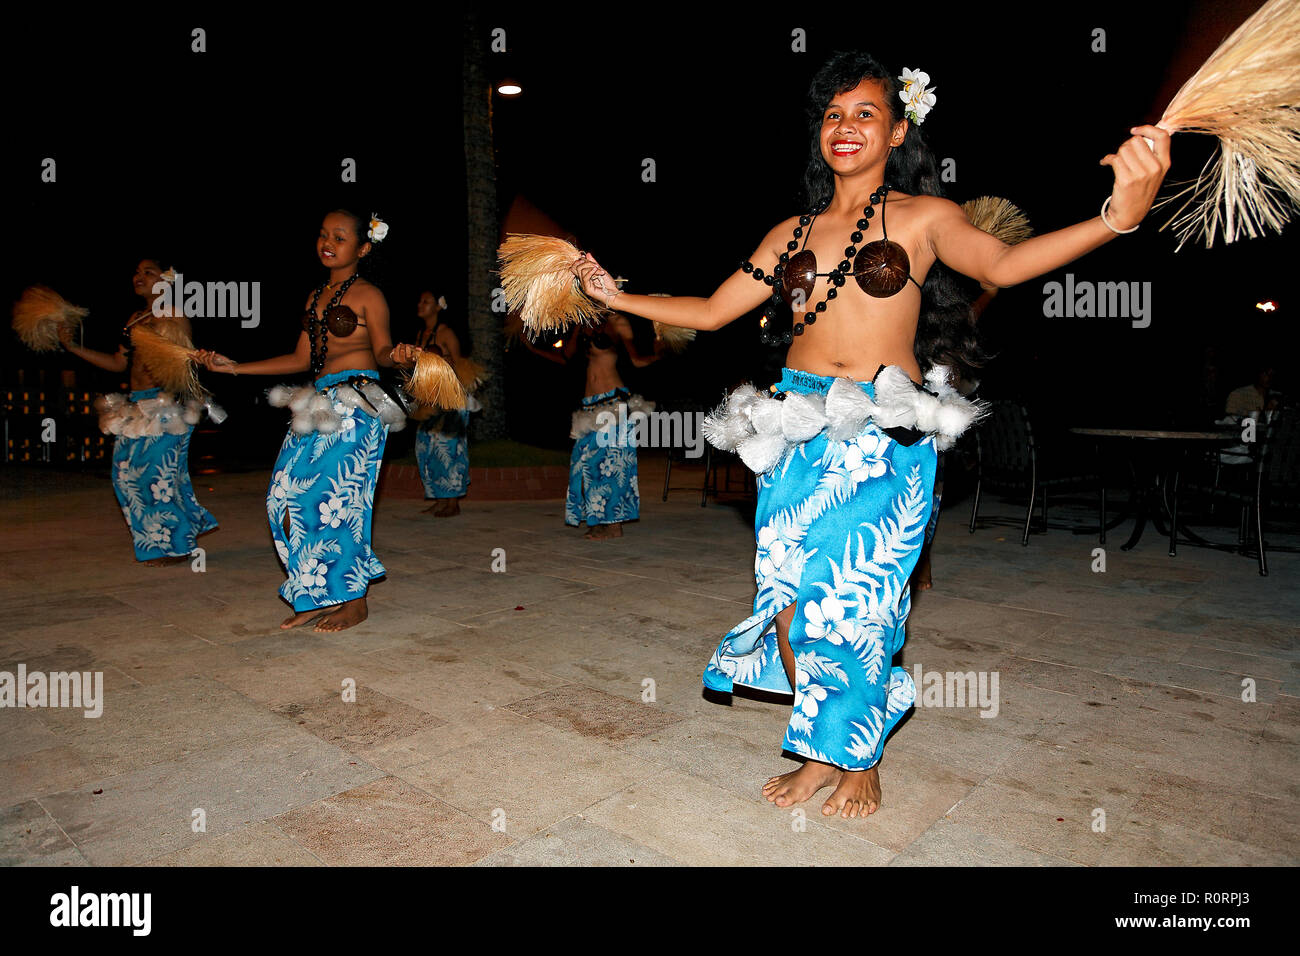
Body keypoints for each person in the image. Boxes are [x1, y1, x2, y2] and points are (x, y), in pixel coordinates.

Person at [573, 51, 1170, 818]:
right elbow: (716, 310)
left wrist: (1116, 215)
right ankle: (822, 747)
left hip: (881, 434)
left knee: (852, 605)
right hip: (794, 428)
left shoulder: (925, 219)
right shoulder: (790, 231)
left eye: (864, 113)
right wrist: (617, 293)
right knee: (790, 601)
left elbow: (1009, 264)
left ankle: (858, 760)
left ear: (896, 131)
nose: (845, 127)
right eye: (832, 113)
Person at [198, 209, 419, 632]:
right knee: (282, 496)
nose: (328, 242)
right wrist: (233, 368)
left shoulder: (369, 295)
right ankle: (314, 591)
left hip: (357, 405)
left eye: (340, 236)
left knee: (340, 502)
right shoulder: (314, 297)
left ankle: (353, 599)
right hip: (317, 404)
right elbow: (301, 358)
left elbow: (383, 351)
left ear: (363, 247)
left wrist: (402, 356)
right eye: (323, 234)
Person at [60, 258, 217, 566]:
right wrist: (73, 347)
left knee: (158, 477)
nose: (139, 276)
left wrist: (169, 403)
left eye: (149, 272)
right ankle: (179, 531)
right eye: (136, 271)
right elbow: (119, 363)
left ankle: (176, 545)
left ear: (167, 280)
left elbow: (182, 365)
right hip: (137, 404)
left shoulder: (173, 314)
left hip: (167, 405)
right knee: (123, 474)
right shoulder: (135, 319)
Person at [524, 312, 661, 539]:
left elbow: (636, 360)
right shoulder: (583, 323)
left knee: (612, 466)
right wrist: (532, 349)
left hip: (614, 405)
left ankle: (614, 524)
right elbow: (565, 357)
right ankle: (596, 517)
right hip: (589, 407)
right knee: (584, 465)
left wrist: (660, 353)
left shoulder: (618, 322)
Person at [413, 291, 473, 516]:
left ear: (438, 307)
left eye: (425, 301)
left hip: (450, 399)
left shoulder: (446, 333)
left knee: (449, 449)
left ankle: (453, 502)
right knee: (425, 448)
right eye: (420, 300)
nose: (420, 304)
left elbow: (461, 367)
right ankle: (439, 497)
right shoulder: (421, 334)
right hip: (429, 401)